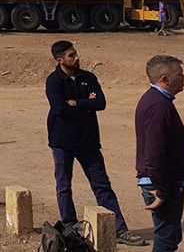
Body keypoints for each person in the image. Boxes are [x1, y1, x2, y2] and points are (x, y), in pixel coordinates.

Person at [46, 40, 146, 246]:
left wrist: (76, 102)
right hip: (62, 141)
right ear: (60, 60)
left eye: (76, 53)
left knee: (102, 185)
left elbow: (100, 103)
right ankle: (70, 228)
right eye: (71, 55)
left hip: (89, 141)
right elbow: (59, 109)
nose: (77, 58)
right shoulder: (54, 81)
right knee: (64, 186)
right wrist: (87, 105)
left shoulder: (88, 77)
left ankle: (119, 229)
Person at [136, 54, 184, 252]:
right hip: (162, 183)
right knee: (166, 240)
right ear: (165, 79)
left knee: (171, 236)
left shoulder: (157, 101)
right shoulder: (158, 106)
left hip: (164, 181)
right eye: (180, 74)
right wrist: (161, 189)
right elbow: (154, 152)